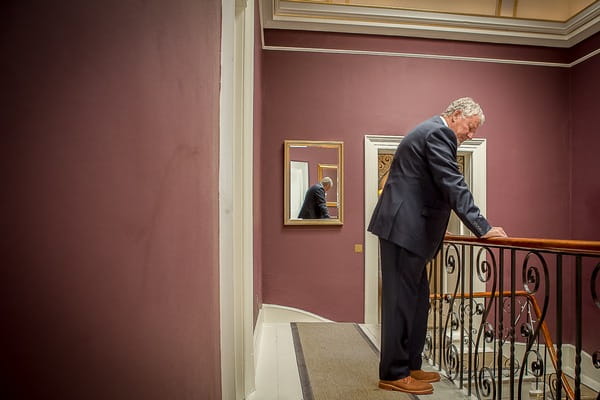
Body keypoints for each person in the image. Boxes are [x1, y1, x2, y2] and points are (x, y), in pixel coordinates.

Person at [368, 97, 507, 395]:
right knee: (400, 304)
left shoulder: (430, 132)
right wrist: (481, 227)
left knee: (418, 302)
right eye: (470, 127)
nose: (471, 135)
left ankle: (411, 365)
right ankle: (393, 372)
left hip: (411, 231)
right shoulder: (437, 133)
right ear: (456, 115)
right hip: (403, 229)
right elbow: (452, 182)